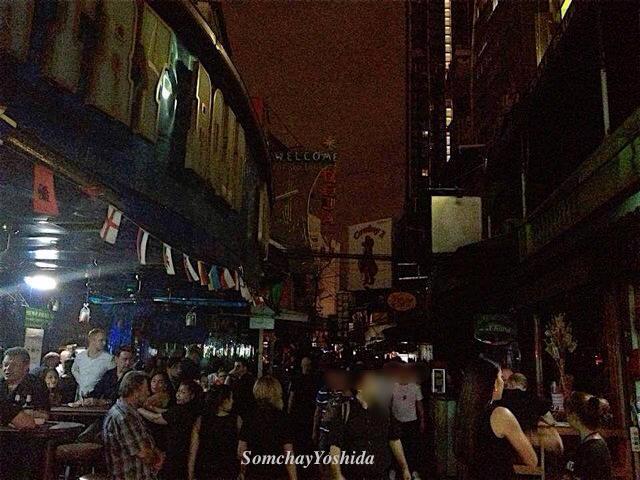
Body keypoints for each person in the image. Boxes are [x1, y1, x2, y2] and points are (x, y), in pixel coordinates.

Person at [454, 357, 537, 480]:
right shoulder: (500, 414)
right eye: (501, 378)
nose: (503, 383)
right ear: (494, 385)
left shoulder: (466, 414)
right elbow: (531, 460)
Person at [327, 368, 411, 480]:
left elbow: (394, 439)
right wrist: (337, 474)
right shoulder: (344, 410)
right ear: (359, 387)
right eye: (371, 383)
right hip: (354, 474)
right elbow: (335, 445)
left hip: (380, 474)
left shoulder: (383, 410)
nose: (375, 387)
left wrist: (404, 467)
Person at [103, 371, 164, 480]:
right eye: (146, 389)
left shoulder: (129, 412)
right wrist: (158, 459)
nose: (148, 393)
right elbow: (144, 454)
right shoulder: (124, 416)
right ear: (135, 391)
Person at [138, 380, 202, 480]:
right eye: (178, 391)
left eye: (183, 392)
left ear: (191, 396)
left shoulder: (180, 411)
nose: (178, 394)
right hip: (184, 452)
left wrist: (139, 409)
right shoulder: (190, 410)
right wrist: (152, 408)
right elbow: (166, 412)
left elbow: (156, 418)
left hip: (175, 453)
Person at [238, 375, 296, 480]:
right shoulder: (283, 418)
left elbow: (242, 450)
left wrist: (243, 471)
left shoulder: (250, 417)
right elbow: (288, 453)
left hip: (254, 471)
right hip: (277, 471)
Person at [189, 385, 241, 480]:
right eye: (231, 398)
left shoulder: (201, 420)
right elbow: (241, 449)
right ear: (224, 400)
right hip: (228, 468)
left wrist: (190, 472)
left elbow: (193, 449)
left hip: (205, 468)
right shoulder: (236, 420)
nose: (233, 401)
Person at [564, 391, 612, 480]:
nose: (566, 417)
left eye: (567, 413)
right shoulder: (589, 445)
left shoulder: (593, 450)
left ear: (575, 416)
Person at [391, 363, 425, 480]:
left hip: (411, 421)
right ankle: (395, 469)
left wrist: (422, 420)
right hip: (397, 421)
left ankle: (413, 470)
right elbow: (389, 402)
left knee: (411, 447)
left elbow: (419, 405)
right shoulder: (393, 385)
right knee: (396, 448)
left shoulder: (415, 386)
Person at [0, 347, 50, 413]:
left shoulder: (37, 385)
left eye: (14, 365)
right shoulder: (1, 384)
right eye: (5, 365)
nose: (8, 368)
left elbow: (44, 413)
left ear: (26, 366)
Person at [287, 356, 319, 458]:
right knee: (307, 434)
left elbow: (292, 397)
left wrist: (289, 411)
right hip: (309, 411)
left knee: (298, 434)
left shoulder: (296, 379)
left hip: (298, 411)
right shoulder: (314, 380)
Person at [72, 328, 114, 398]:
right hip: (81, 397)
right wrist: (81, 381)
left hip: (98, 398)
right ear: (92, 341)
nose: (104, 343)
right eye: (101, 340)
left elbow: (112, 377)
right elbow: (74, 369)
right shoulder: (80, 356)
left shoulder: (109, 359)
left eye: (105, 340)